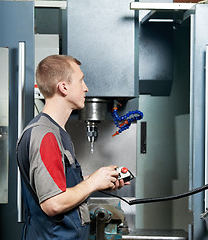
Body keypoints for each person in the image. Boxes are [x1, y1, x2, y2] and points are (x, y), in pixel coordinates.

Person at [16, 55, 128, 240]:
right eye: (81, 80)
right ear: (63, 87)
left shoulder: (56, 132)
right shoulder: (45, 135)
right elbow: (53, 203)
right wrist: (91, 184)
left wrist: (98, 180)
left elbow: (59, 185)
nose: (86, 88)